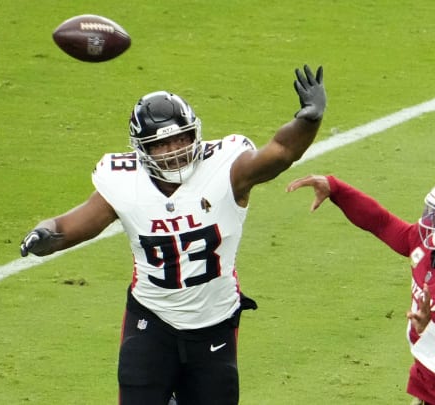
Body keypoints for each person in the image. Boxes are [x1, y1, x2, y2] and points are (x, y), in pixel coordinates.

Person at [19, 64, 326, 405]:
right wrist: (43, 235)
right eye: (162, 143)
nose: (176, 149)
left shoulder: (225, 168)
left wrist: (308, 120)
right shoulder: (123, 181)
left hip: (215, 322)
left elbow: (281, 152)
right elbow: (70, 225)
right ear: (143, 149)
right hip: (151, 321)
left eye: (182, 138)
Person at [287, 163, 435, 405]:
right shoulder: (430, 245)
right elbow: (382, 223)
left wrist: (430, 332)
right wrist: (336, 189)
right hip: (430, 392)